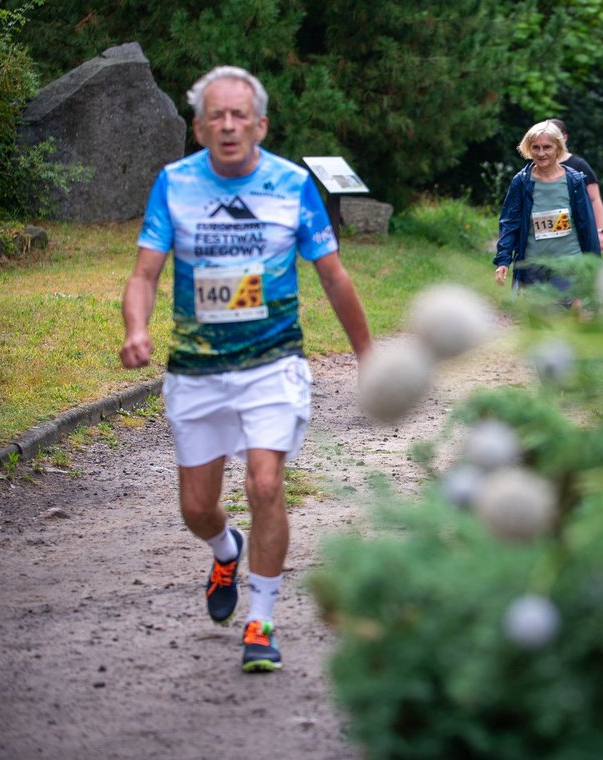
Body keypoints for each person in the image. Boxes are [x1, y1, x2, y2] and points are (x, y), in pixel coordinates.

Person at [119, 66, 371, 673]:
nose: (228, 125)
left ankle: (261, 620)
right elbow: (145, 273)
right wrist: (137, 328)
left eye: (239, 115)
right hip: (197, 370)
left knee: (264, 485)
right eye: (216, 115)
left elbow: (333, 275)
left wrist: (370, 357)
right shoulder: (174, 183)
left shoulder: (290, 184)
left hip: (273, 363)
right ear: (200, 127)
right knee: (197, 508)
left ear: (259, 124)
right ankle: (222, 548)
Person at [494, 120, 600, 297]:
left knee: (559, 315)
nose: (541, 153)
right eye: (535, 147)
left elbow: (586, 226)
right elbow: (509, 223)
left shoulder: (574, 181)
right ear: (528, 149)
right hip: (532, 265)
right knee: (535, 320)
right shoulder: (521, 181)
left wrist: (593, 267)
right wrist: (503, 260)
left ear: (558, 148)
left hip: (568, 263)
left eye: (547, 147)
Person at [549, 118, 603, 252]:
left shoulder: (579, 165)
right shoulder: (537, 167)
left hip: (575, 229)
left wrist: (600, 232)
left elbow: (594, 199)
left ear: (564, 137)